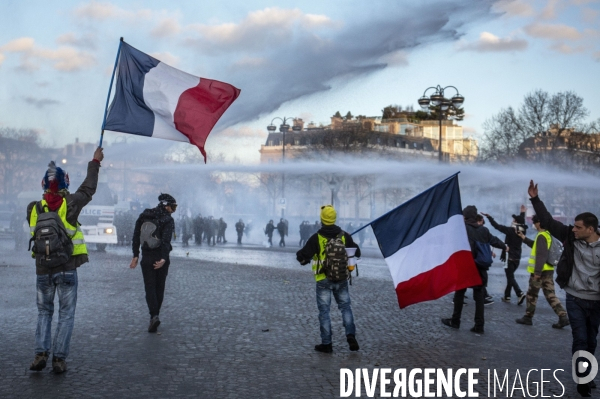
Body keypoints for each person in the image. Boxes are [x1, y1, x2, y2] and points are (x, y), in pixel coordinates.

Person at [28, 147, 104, 374]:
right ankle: (59, 359)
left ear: (43, 184)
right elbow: (88, 188)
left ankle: (41, 353)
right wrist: (95, 161)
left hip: (42, 269)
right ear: (65, 184)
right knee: (66, 314)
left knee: (44, 312)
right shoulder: (70, 204)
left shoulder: (33, 207)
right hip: (67, 268)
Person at [527, 180, 600, 397]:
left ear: (591, 229)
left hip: (596, 301)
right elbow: (548, 221)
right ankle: (583, 380)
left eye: (579, 227)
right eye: (574, 226)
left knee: (592, 339)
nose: (574, 229)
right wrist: (534, 199)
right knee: (580, 338)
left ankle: (588, 373)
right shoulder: (569, 236)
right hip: (575, 297)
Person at [296, 205, 361, 353]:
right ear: (334, 218)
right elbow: (357, 252)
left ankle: (327, 343)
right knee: (345, 307)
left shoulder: (316, 237)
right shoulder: (344, 236)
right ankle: (350, 335)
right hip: (342, 278)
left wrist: (304, 257)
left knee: (324, 312)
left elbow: (302, 255)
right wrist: (349, 241)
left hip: (323, 279)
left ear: (322, 219)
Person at [441, 205, 507, 334]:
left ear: (464, 217)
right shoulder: (484, 230)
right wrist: (505, 247)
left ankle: (455, 321)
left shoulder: (462, 229)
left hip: (465, 268)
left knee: (460, 294)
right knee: (479, 297)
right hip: (480, 268)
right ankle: (479, 325)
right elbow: (494, 241)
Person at [130, 193, 176, 333]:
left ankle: (153, 315)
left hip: (146, 256)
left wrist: (135, 255)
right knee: (159, 287)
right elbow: (166, 240)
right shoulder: (167, 219)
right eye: (173, 207)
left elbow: (136, 235)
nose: (173, 210)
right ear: (166, 206)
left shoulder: (144, 215)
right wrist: (163, 258)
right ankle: (156, 315)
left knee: (149, 287)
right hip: (160, 257)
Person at [515, 214, 569, 328]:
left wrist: (537, 273)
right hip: (548, 270)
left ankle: (528, 317)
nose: (534, 225)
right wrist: (523, 238)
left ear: (539, 223)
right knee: (550, 295)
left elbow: (541, 255)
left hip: (540, 272)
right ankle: (563, 316)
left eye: (535, 223)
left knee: (531, 295)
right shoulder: (548, 234)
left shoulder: (541, 236)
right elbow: (537, 247)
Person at [481, 206, 527, 305]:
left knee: (510, 277)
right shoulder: (522, 230)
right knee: (510, 276)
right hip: (517, 257)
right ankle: (507, 296)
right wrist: (522, 213)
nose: (512, 221)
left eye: (514, 219)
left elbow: (497, 226)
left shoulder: (510, 230)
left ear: (515, 222)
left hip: (509, 257)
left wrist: (489, 217)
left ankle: (519, 293)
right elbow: (522, 222)